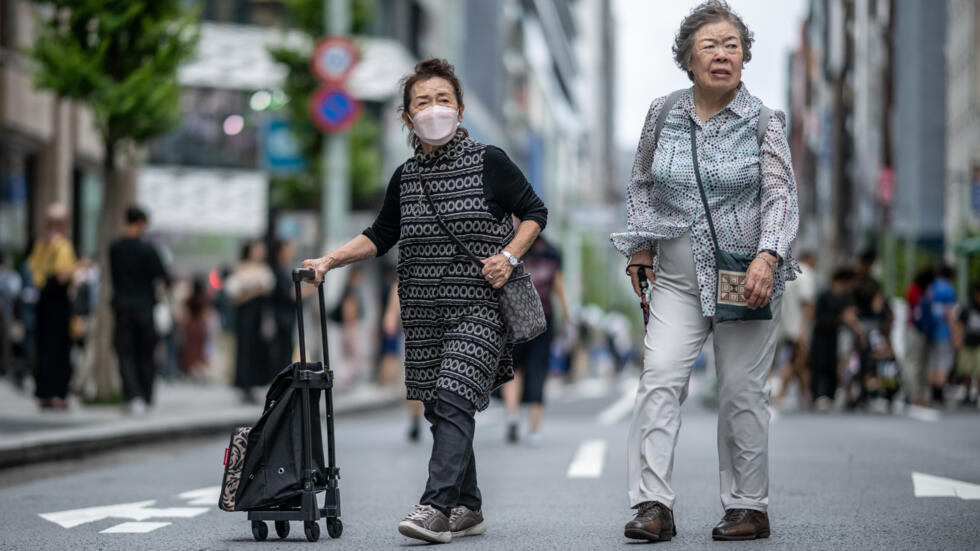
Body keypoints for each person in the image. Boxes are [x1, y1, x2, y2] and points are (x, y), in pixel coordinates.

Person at [301, 58, 547, 544]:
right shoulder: (405, 177)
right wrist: (329, 261)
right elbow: (380, 235)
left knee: (454, 396)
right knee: (439, 406)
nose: (434, 110)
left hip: (480, 308)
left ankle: (436, 507)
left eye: (442, 100)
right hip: (422, 309)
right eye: (422, 103)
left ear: (459, 107)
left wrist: (509, 255)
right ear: (407, 118)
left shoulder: (489, 161)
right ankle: (469, 507)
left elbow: (534, 212)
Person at [609, 1, 800, 541]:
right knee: (660, 380)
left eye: (732, 45)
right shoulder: (662, 113)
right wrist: (641, 246)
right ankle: (652, 505)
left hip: (747, 275)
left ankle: (747, 506)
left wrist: (768, 254)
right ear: (688, 59)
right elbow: (642, 182)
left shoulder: (765, 121)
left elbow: (781, 194)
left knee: (741, 391)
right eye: (710, 46)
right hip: (676, 276)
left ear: (745, 57)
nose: (722, 54)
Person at [501, 234, 569, 446]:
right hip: (543, 319)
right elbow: (558, 287)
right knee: (539, 371)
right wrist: (567, 316)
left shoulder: (511, 245)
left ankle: (512, 414)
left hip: (514, 317)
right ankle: (534, 429)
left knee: (513, 369)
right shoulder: (552, 251)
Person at [109, 206, 169, 414]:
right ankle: (145, 395)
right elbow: (162, 275)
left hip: (122, 307)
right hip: (144, 307)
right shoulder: (148, 249)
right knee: (146, 352)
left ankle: (132, 395)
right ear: (142, 222)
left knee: (125, 353)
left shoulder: (114, 248)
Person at [225, 240, 275, 404]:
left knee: (257, 349)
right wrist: (254, 290)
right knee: (244, 349)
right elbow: (234, 295)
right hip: (245, 315)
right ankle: (244, 385)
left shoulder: (263, 269)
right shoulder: (241, 269)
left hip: (259, 315)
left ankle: (254, 384)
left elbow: (268, 288)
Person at [809, 268, 865, 411]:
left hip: (835, 335)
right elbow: (817, 317)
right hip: (821, 334)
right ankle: (819, 395)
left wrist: (857, 330)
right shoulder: (824, 296)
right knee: (819, 364)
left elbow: (850, 315)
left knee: (833, 365)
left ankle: (831, 395)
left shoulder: (844, 298)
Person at [773, 251, 816, 408]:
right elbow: (808, 305)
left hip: (787, 327)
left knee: (800, 364)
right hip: (798, 329)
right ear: (811, 260)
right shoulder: (806, 274)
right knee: (795, 362)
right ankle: (782, 395)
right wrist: (804, 331)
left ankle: (805, 396)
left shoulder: (789, 273)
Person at [925, 265, 957, 405]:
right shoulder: (948, 289)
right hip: (943, 330)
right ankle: (939, 392)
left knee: (933, 361)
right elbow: (950, 313)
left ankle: (933, 391)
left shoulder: (930, 287)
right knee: (943, 361)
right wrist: (955, 333)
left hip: (930, 330)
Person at [903, 269, 934, 406]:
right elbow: (915, 310)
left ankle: (921, 393)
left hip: (925, 330)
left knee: (923, 363)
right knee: (913, 362)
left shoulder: (926, 291)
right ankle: (913, 393)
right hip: (914, 329)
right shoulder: (915, 290)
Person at [954, 281, 980, 406]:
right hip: (968, 343)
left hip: (979, 344)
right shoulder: (968, 307)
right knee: (967, 371)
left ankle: (977, 394)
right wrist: (958, 341)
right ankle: (967, 393)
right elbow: (959, 324)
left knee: (979, 370)